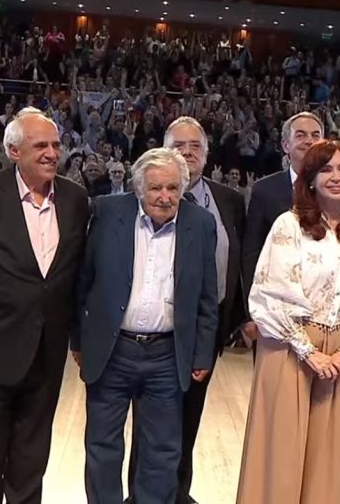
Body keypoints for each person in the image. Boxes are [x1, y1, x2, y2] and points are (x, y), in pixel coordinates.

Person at [0, 107, 90, 504]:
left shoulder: (76, 199)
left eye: (56, 145)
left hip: (46, 355)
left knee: (32, 460)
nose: (52, 153)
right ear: (14, 151)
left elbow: (75, 274)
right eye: (40, 145)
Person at [237, 140, 340, 503]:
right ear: (311, 179)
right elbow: (272, 292)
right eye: (326, 169)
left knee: (326, 457)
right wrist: (308, 350)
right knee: (281, 453)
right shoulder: (289, 225)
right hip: (288, 347)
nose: (336, 177)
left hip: (338, 356)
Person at [73, 147, 218, 504]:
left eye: (172, 188)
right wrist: (78, 339)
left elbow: (207, 295)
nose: (165, 197)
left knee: (162, 452)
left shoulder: (201, 223)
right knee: (102, 446)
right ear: (139, 187)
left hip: (167, 355)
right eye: (156, 188)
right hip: (112, 351)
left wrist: (202, 352)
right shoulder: (107, 211)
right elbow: (83, 281)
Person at [125, 117, 246, 504]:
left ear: (207, 155)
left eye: (196, 146)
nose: (188, 152)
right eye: (179, 145)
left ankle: (178, 493)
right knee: (149, 422)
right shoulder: (138, 200)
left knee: (190, 417)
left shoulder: (229, 200)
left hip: (205, 330)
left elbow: (239, 262)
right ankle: (141, 495)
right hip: (153, 330)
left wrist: (237, 320)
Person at [242, 111, 324, 341]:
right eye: (301, 135)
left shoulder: (338, 189)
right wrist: (251, 313)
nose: (309, 141)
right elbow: (251, 253)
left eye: (315, 135)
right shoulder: (264, 190)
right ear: (285, 145)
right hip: (274, 312)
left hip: (326, 312)